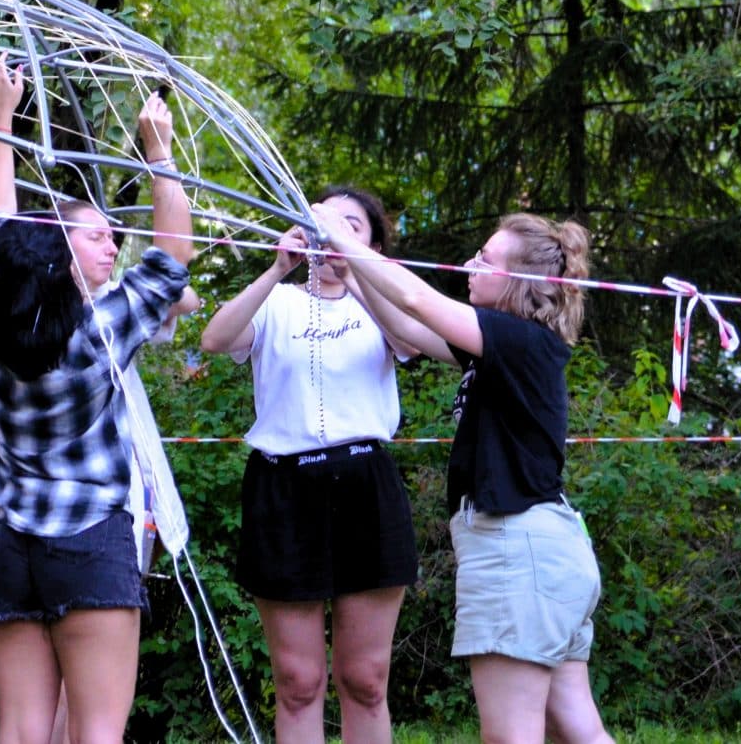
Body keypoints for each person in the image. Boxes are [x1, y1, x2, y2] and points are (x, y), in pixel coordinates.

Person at [307, 206, 613, 744]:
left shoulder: (517, 340)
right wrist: (353, 275)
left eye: (485, 259)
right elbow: (407, 325)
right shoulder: (503, 347)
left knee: (511, 735)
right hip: (549, 550)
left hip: (519, 550)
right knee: (575, 729)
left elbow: (417, 299)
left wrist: (340, 237)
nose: (470, 264)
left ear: (521, 280)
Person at [0, 52, 199, 744]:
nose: (112, 245)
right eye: (97, 236)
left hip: (11, 548)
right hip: (89, 543)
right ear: (58, 252)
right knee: (97, 735)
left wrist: (2, 115)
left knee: (19, 733)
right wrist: (160, 155)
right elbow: (174, 256)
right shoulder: (103, 330)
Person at [196, 187, 434, 744]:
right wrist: (277, 269)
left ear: (371, 245)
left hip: (366, 486)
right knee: (299, 681)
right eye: (322, 222)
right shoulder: (276, 301)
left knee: (366, 679)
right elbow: (214, 339)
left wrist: (357, 275)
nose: (330, 234)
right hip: (282, 489)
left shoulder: (379, 304)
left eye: (349, 226)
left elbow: (412, 343)